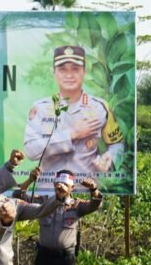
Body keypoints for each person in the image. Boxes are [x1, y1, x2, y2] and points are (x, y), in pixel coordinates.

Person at [23, 45, 124, 176]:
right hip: (48, 190)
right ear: (54, 73)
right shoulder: (41, 108)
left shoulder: (100, 107)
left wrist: (111, 157)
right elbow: (31, 151)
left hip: (88, 189)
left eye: (75, 69)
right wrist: (71, 134)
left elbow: (117, 144)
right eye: (62, 69)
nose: (69, 75)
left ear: (84, 72)